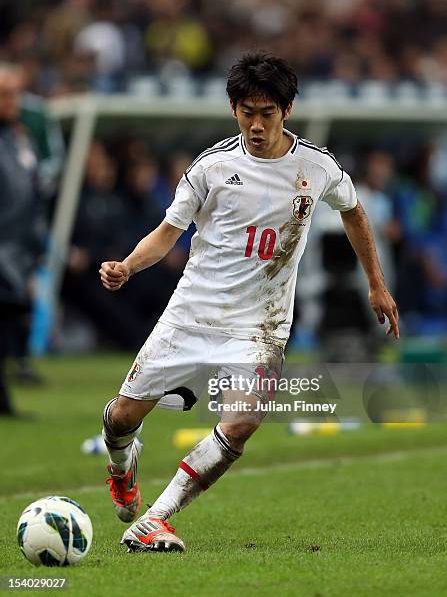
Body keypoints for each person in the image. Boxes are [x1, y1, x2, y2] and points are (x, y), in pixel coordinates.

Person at [99, 51, 399, 553]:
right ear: (233, 109)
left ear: (287, 111)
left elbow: (353, 211)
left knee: (241, 422)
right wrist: (128, 265)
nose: (256, 125)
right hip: (192, 315)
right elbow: (168, 233)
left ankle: (156, 518)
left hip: (261, 324)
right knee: (123, 418)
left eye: (266, 113)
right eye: (246, 112)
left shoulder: (316, 166)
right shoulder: (212, 168)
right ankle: (121, 463)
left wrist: (377, 282)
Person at [0, 63, 45, 415]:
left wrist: (35, 244)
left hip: (18, 252)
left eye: (15, 93)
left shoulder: (17, 140)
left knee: (11, 321)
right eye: (6, 94)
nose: (13, 101)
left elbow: (30, 196)